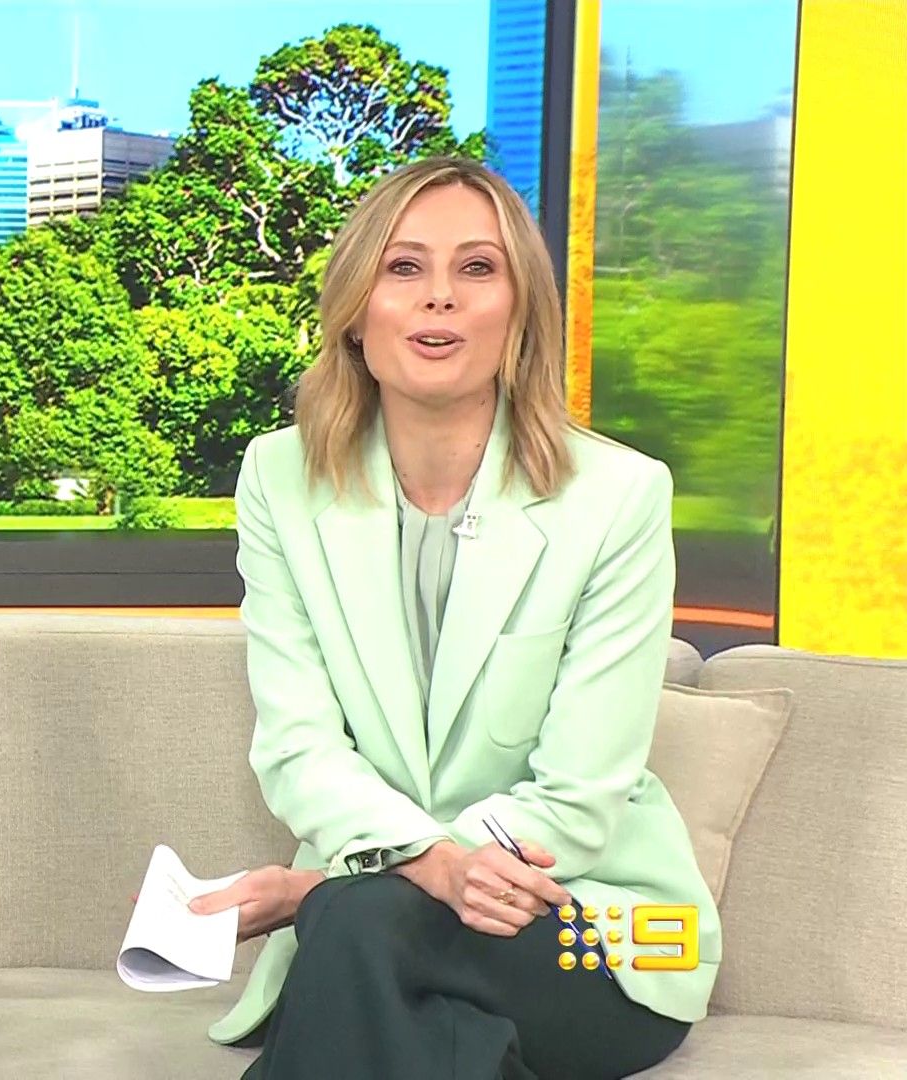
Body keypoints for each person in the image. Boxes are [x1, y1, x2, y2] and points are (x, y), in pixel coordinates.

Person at [186, 156, 717, 1079]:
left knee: (354, 925)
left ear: (520, 312)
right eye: (404, 267)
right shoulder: (280, 478)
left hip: (593, 929)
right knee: (405, 993)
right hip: (380, 932)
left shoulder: (619, 495)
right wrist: (427, 866)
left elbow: (580, 793)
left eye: (477, 268)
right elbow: (298, 745)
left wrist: (317, 888)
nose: (440, 296)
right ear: (356, 312)